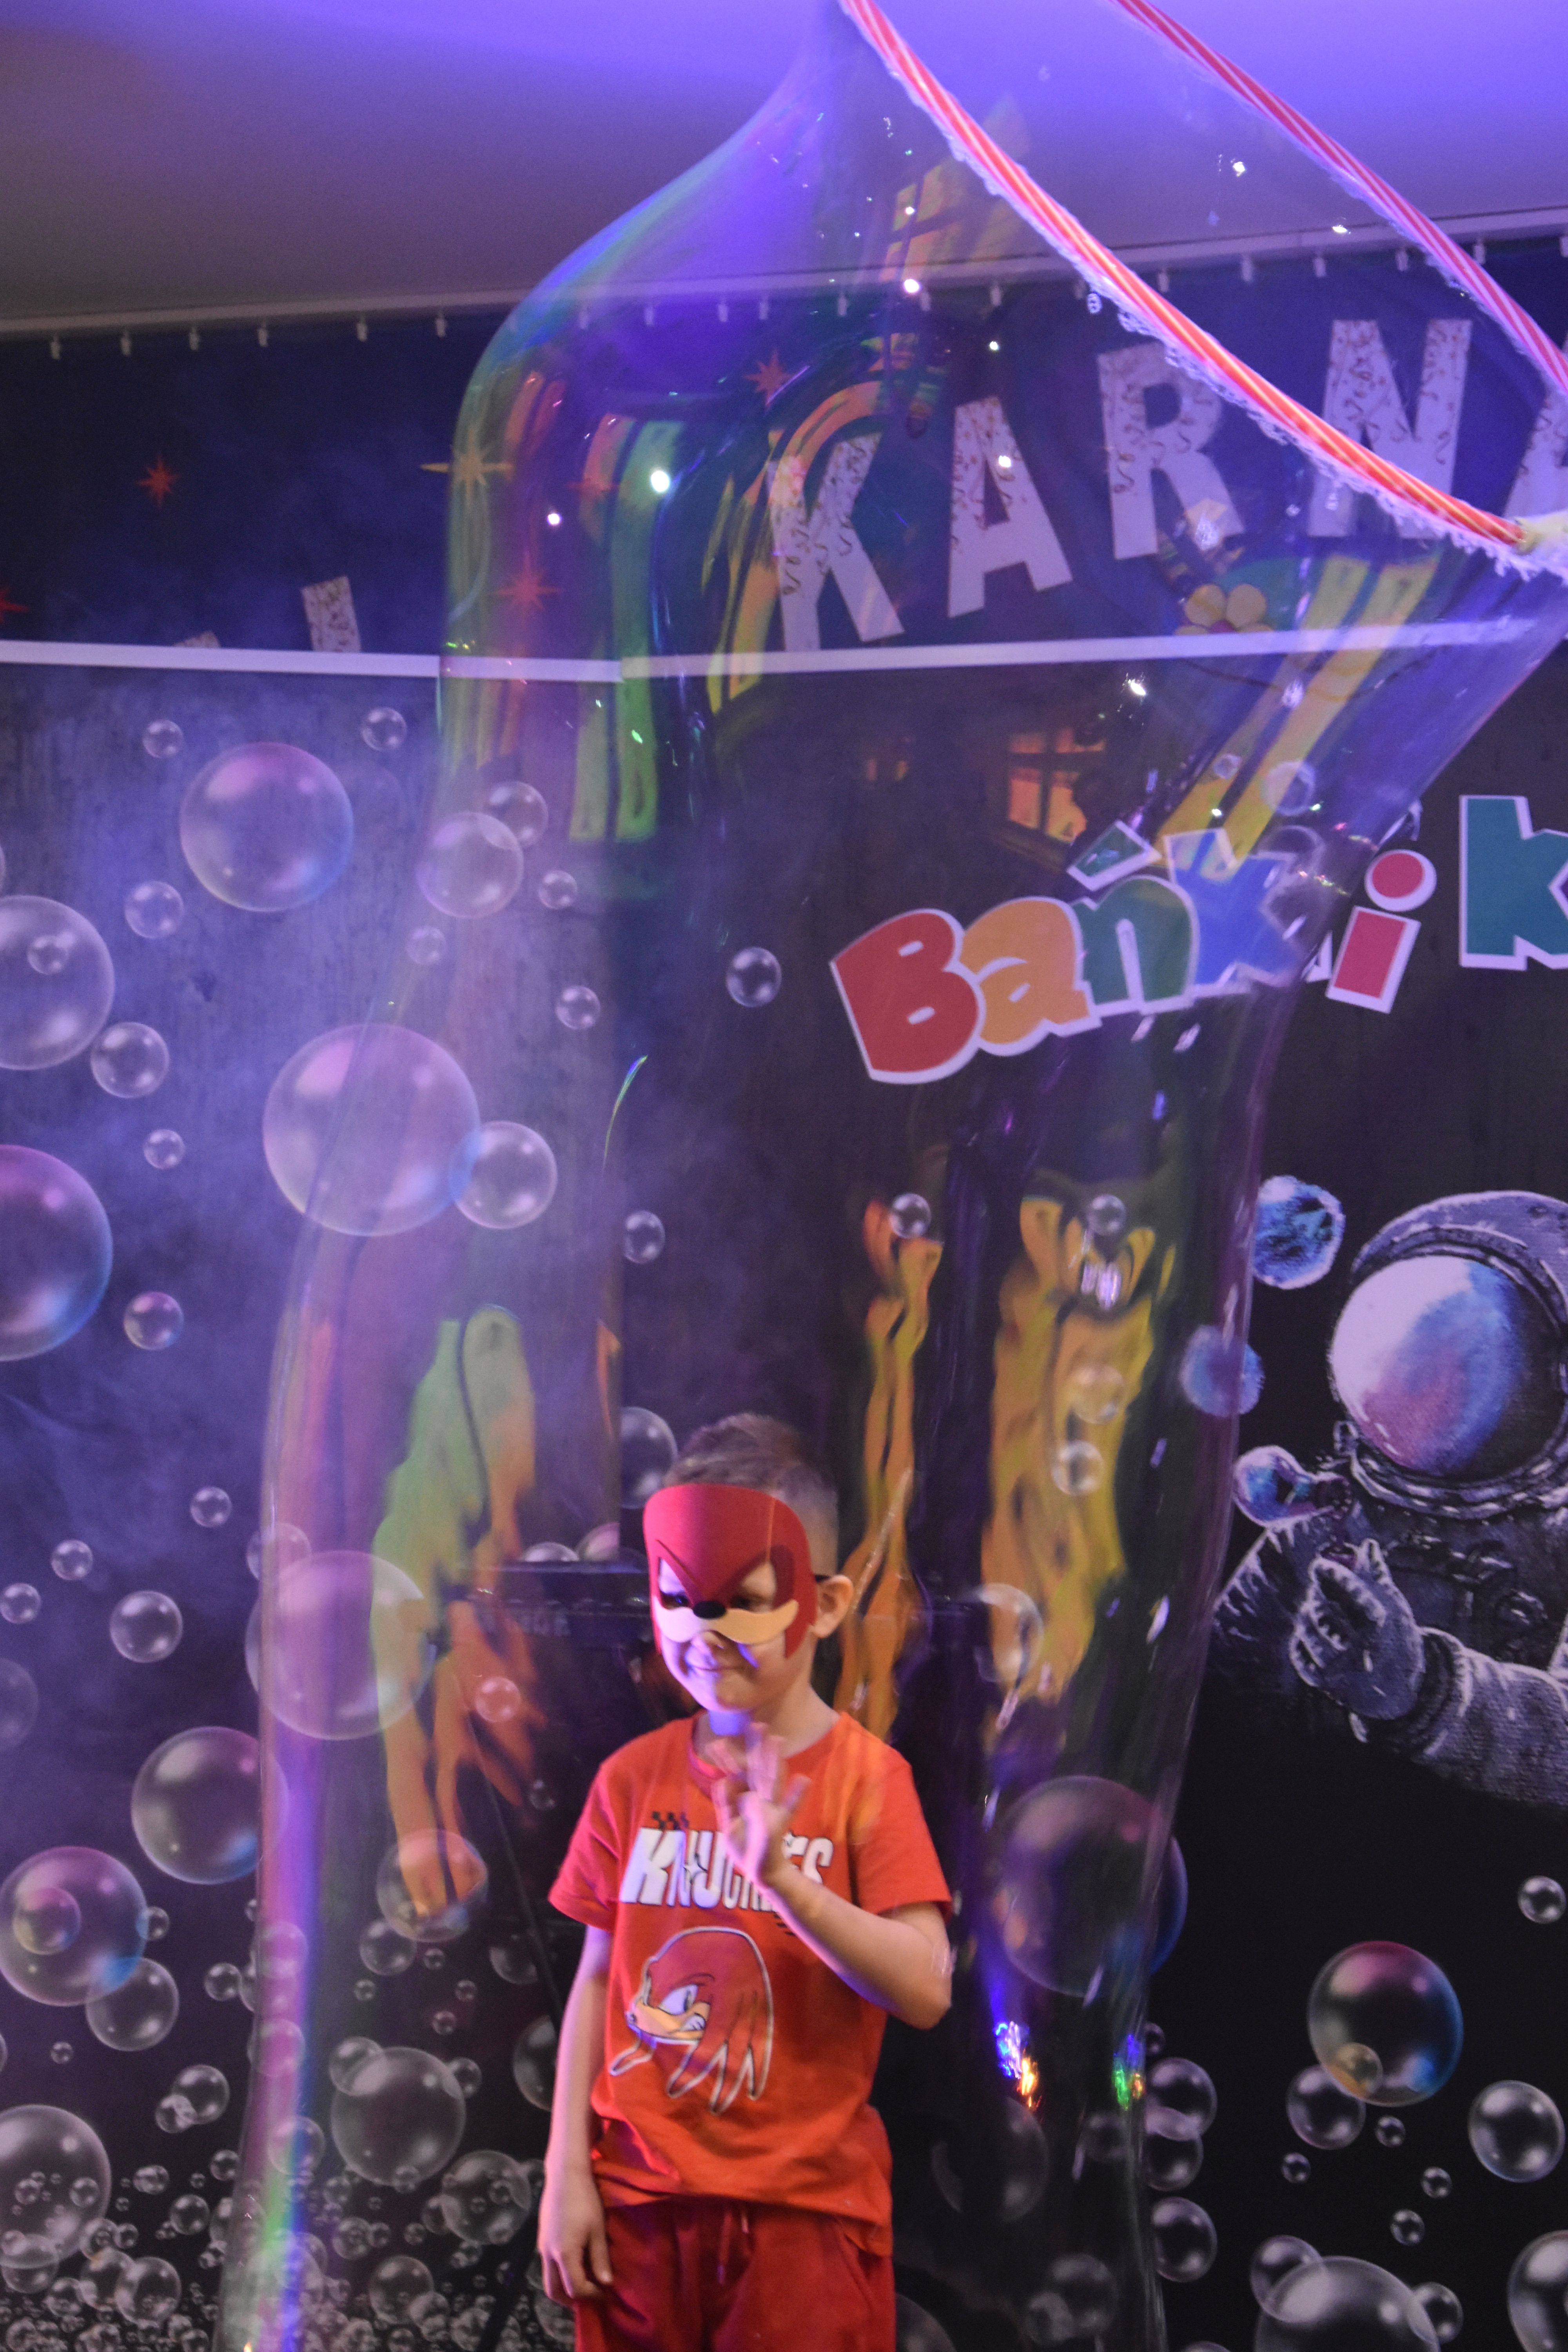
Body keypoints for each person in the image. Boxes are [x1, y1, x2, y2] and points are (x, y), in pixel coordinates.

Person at [540, 1413, 952, 2352]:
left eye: (745, 1600)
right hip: (639, 2212)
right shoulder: (630, 1781)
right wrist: (567, 2172)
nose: (702, 1630)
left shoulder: (867, 1782)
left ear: (827, 1604)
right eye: (677, 1597)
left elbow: (926, 1989)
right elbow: (598, 1981)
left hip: (803, 2222)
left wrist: (789, 1886)